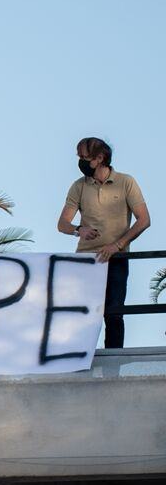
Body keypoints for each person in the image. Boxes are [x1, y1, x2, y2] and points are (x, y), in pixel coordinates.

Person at [57, 137, 151, 348]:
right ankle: (78, 358)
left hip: (116, 258)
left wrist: (117, 246)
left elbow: (144, 220)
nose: (80, 162)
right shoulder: (79, 186)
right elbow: (62, 224)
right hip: (86, 261)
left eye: (84, 157)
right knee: (82, 314)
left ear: (100, 158)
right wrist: (79, 230)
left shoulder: (126, 182)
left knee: (114, 313)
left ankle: (113, 361)